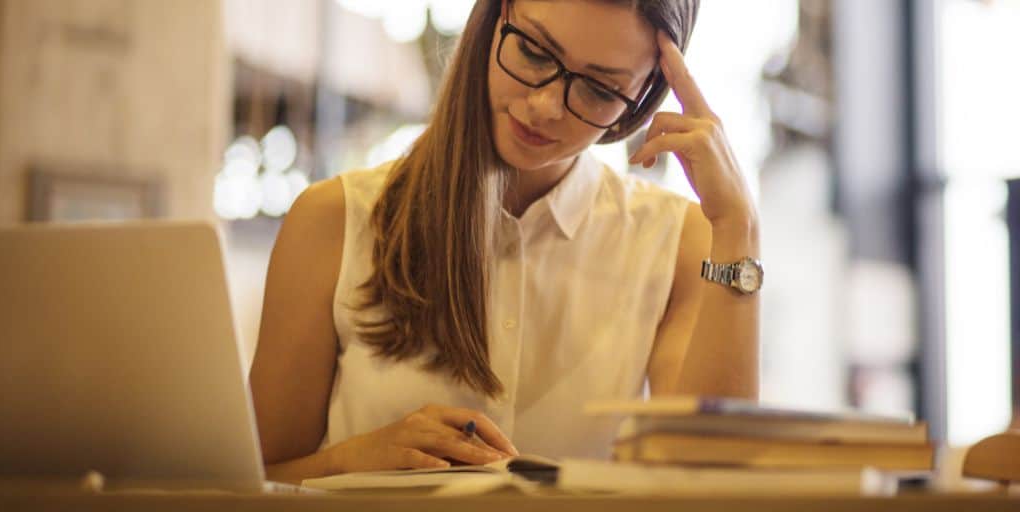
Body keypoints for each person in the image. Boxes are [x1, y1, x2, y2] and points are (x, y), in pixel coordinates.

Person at [251, 0, 761, 484]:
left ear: (643, 99)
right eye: (534, 52)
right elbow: (245, 485)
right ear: (494, 17)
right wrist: (353, 461)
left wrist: (738, 227)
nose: (544, 105)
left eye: (600, 90)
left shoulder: (676, 242)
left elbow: (712, 482)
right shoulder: (334, 220)